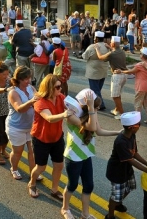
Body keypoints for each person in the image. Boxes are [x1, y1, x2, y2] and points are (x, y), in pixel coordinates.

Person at [61, 89, 121, 219]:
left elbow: (98, 131)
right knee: (72, 185)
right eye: (96, 105)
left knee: (88, 185)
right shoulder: (71, 115)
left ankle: (85, 213)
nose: (98, 108)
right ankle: (65, 208)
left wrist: (117, 132)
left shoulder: (92, 113)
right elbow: (92, 128)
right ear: (87, 105)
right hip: (74, 156)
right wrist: (91, 108)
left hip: (86, 155)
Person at [105, 111, 147, 219]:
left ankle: (118, 203)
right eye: (138, 124)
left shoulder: (132, 135)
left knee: (130, 187)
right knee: (115, 196)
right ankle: (110, 214)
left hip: (126, 170)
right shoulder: (121, 142)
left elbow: (134, 153)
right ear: (132, 127)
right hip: (117, 172)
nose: (139, 126)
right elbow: (131, 160)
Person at [27, 74, 71, 199]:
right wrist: (65, 114)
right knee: (41, 167)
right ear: (49, 88)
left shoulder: (60, 97)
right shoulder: (39, 102)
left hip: (56, 137)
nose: (60, 89)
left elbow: (72, 107)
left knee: (59, 165)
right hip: (41, 139)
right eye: (57, 87)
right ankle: (32, 183)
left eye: (60, 86)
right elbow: (49, 118)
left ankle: (54, 189)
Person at [6, 66, 39, 180]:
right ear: (19, 79)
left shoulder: (31, 88)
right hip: (16, 127)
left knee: (33, 151)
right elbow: (19, 108)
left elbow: (38, 100)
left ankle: (33, 172)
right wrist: (32, 101)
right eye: (25, 79)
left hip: (31, 126)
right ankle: (14, 169)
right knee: (18, 152)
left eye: (29, 78)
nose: (28, 81)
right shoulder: (13, 92)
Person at [118, 48, 147, 124]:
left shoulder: (139, 65)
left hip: (140, 86)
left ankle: (136, 120)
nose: (140, 55)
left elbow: (130, 71)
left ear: (142, 56)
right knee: (146, 103)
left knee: (138, 104)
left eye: (140, 53)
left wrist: (121, 71)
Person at [94, 36, 127, 118]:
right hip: (124, 75)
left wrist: (97, 49)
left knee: (115, 96)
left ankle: (122, 114)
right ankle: (116, 109)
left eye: (110, 42)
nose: (109, 43)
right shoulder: (122, 51)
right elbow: (114, 51)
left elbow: (100, 57)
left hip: (117, 76)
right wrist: (109, 47)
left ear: (113, 43)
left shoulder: (112, 54)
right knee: (118, 94)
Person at [82, 31, 109, 110]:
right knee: (98, 89)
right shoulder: (106, 46)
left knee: (95, 89)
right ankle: (96, 101)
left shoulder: (92, 47)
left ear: (96, 38)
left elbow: (85, 56)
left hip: (93, 71)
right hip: (103, 70)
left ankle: (101, 104)